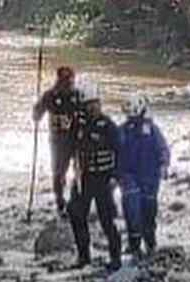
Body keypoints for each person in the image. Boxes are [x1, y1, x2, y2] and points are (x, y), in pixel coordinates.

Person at [68, 79, 122, 270]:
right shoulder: (78, 123)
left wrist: (116, 177)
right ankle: (84, 257)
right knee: (75, 214)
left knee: (107, 219)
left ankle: (116, 258)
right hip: (83, 178)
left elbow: (120, 151)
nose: (93, 108)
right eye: (88, 105)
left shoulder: (108, 126)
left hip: (103, 178)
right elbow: (68, 145)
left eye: (95, 104)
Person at [118, 94, 170, 258]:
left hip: (150, 178)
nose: (132, 119)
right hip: (129, 177)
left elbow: (163, 149)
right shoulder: (122, 131)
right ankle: (134, 247)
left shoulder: (152, 130)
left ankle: (150, 244)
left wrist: (163, 165)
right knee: (132, 211)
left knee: (149, 212)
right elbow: (114, 153)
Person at [32, 66, 80, 217]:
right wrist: (36, 111)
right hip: (58, 141)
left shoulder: (78, 95)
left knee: (80, 170)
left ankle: (76, 199)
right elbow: (36, 115)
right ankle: (60, 201)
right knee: (59, 172)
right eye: (64, 81)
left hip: (76, 139)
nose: (67, 85)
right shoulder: (50, 96)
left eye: (69, 81)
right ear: (58, 80)